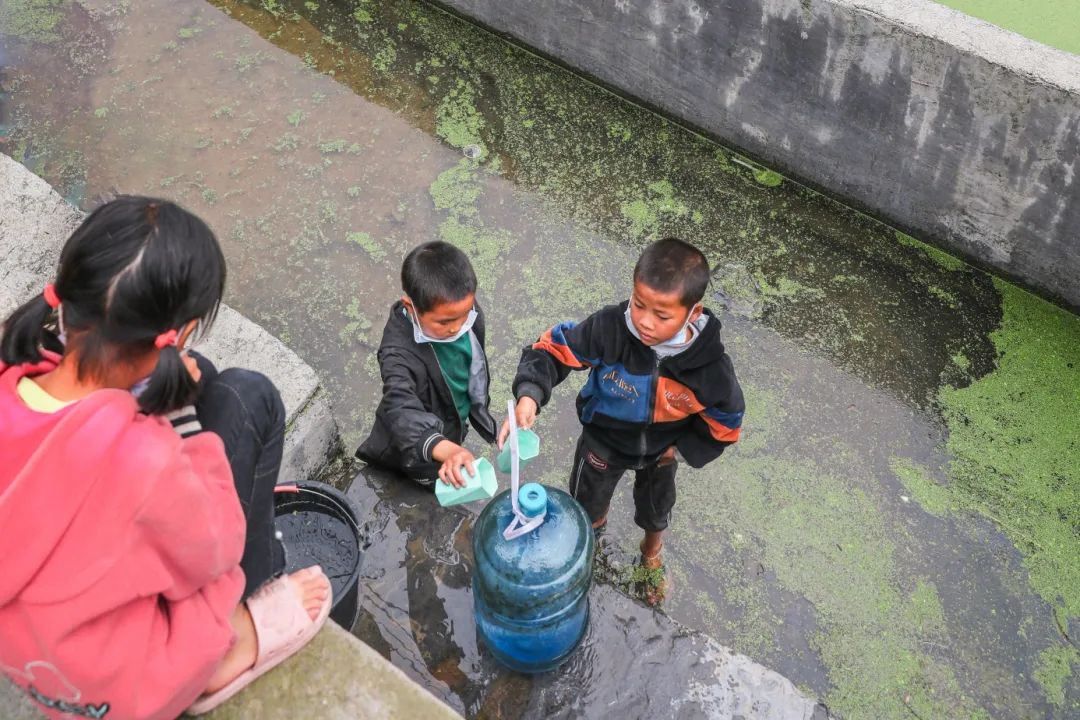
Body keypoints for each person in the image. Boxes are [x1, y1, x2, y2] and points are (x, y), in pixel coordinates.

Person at [0, 197, 331, 720]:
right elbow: (216, 548)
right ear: (178, 332)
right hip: (115, 684)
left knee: (207, 375)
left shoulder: (13, 374)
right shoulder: (146, 460)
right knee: (250, 396)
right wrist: (179, 425)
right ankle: (230, 644)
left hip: (26, 642)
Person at [501, 237, 744, 593]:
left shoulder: (710, 369)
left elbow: (727, 420)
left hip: (661, 452)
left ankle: (651, 552)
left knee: (656, 508)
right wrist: (530, 395)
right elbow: (553, 349)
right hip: (602, 442)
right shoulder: (609, 329)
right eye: (638, 304)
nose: (644, 322)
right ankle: (588, 545)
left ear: (693, 313)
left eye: (661, 315)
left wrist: (681, 449)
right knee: (587, 504)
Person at [356, 241, 497, 488]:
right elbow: (400, 408)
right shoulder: (397, 354)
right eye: (445, 322)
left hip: (453, 417)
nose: (458, 326)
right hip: (416, 442)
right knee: (429, 477)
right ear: (411, 307)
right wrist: (443, 448)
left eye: (466, 314)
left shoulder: (462, 310)